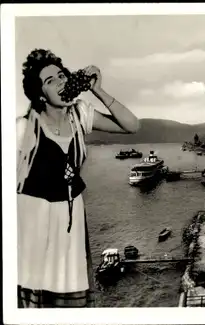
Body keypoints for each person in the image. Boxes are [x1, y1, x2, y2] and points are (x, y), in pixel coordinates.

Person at [17, 49, 139, 308]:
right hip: (35, 224)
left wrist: (98, 91)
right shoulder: (23, 128)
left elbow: (132, 125)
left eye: (62, 75)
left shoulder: (80, 114)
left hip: (71, 224)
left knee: (71, 302)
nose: (61, 82)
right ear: (40, 94)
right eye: (51, 81)